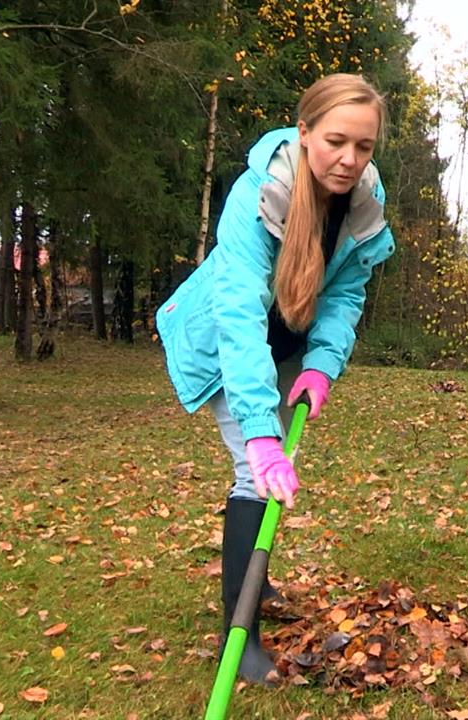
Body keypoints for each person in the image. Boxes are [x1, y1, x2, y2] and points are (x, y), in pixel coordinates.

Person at [156, 74, 394, 684]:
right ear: (305, 131)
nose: (348, 159)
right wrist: (261, 430)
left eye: (363, 146)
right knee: (255, 475)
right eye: (336, 141)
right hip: (224, 339)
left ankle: (252, 585)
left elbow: (346, 290)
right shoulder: (257, 194)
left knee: (270, 478)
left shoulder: (363, 198)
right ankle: (242, 639)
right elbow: (238, 314)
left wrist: (321, 365)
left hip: (289, 335)